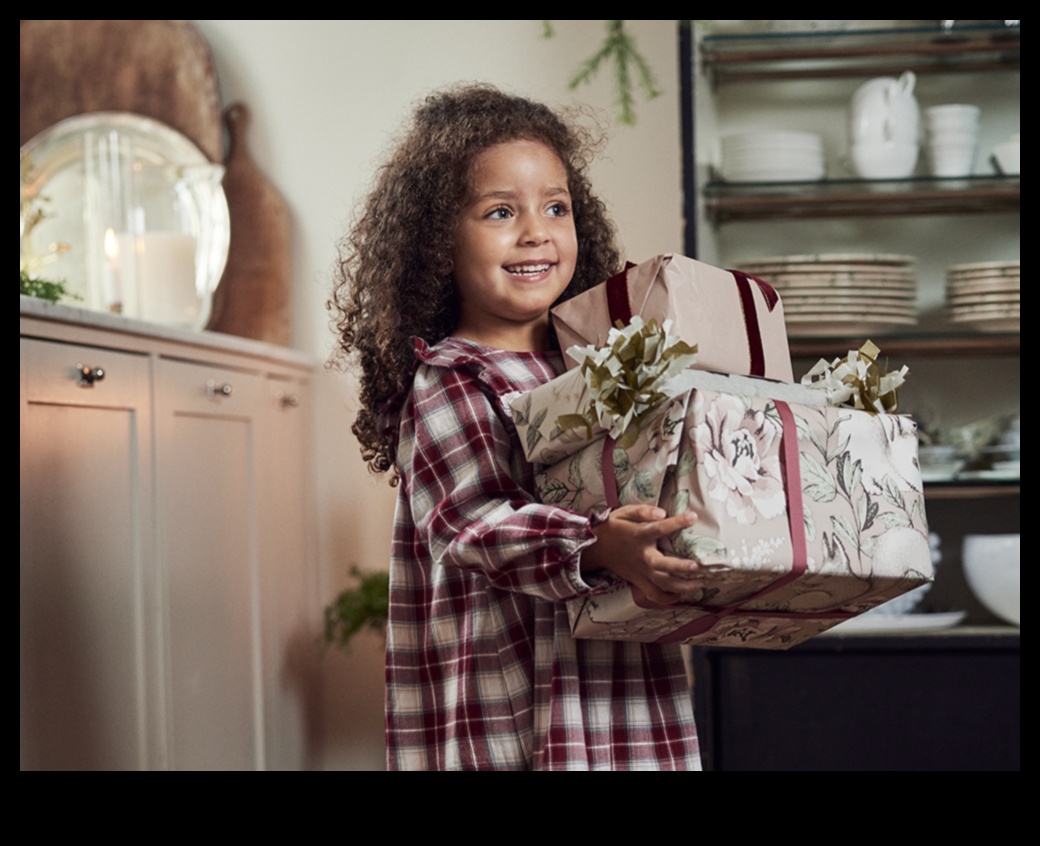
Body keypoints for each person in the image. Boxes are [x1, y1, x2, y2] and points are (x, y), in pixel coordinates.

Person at [329, 83, 702, 771]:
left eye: (555, 207)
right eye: (501, 211)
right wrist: (598, 545)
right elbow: (472, 522)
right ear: (438, 239)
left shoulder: (593, 372)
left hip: (617, 698)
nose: (536, 231)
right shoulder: (450, 376)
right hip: (515, 705)